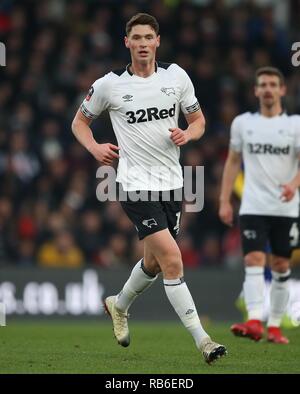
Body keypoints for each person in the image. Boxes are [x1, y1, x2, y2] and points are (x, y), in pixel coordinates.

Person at [71, 13, 227, 364]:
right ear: (126, 43)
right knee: (173, 260)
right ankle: (204, 341)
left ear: (158, 41)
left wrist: (189, 133)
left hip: (172, 184)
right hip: (134, 186)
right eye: (136, 37)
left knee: (154, 264)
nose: (142, 43)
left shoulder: (177, 77)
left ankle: (119, 304)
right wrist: (95, 147)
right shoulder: (109, 85)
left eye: (148, 37)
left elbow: (198, 120)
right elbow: (79, 123)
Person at [219, 66, 300, 344]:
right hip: (252, 206)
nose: (267, 89)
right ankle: (254, 320)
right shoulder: (243, 123)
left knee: (280, 265)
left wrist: (294, 184)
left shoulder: (295, 125)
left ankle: (275, 326)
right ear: (255, 90)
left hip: (286, 208)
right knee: (253, 259)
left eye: (272, 84)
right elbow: (232, 161)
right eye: (262, 84)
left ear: (282, 90)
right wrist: (224, 200)